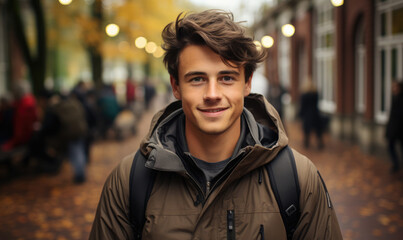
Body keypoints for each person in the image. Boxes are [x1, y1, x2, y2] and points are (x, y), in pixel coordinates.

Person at [90, 10, 342, 239]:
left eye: (227, 77)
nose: (212, 93)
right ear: (176, 86)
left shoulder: (298, 179)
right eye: (197, 78)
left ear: (247, 83)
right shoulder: (129, 181)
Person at [1, 80, 38, 152]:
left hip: (20, 141)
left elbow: (20, 132)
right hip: (23, 139)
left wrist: (10, 144)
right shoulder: (30, 102)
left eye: (14, 92)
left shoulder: (23, 106)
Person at [298, 78, 324, 149]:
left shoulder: (304, 95)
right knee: (318, 130)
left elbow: (303, 106)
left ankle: (306, 143)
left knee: (306, 130)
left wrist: (300, 114)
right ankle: (320, 143)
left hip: (307, 115)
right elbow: (316, 104)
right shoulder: (315, 94)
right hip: (315, 113)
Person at [385, 80, 403, 173]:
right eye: (393, 87)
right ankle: (396, 164)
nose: (394, 89)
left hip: (399, 130)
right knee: (390, 146)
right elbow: (392, 116)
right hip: (393, 129)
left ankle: (397, 165)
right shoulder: (394, 98)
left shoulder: (400, 99)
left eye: (396, 87)